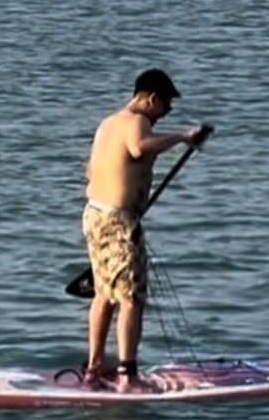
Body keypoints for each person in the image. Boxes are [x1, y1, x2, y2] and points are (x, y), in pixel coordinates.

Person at [81, 68, 212, 388]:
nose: (164, 115)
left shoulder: (108, 123)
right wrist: (183, 137)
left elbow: (92, 171)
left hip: (95, 215)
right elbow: (140, 147)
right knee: (131, 298)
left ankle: (95, 367)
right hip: (118, 222)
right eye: (165, 107)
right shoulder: (137, 122)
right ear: (151, 99)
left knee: (104, 294)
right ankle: (128, 376)